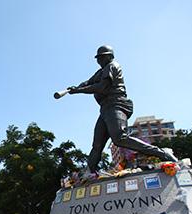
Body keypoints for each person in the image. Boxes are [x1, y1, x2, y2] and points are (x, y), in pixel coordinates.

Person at [67, 45, 178, 175]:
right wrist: (76, 87)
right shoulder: (100, 72)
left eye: (102, 57)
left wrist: (79, 91)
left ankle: (163, 153)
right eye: (98, 58)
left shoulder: (112, 66)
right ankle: (90, 172)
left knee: (120, 138)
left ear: (109, 56)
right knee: (97, 144)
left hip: (116, 104)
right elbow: (88, 82)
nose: (99, 60)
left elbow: (102, 87)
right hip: (105, 109)